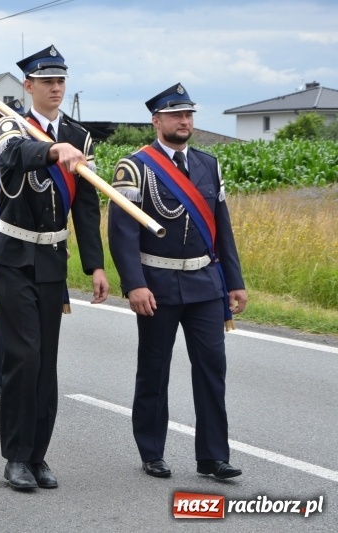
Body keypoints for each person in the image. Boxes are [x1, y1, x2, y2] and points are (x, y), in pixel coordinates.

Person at [108, 83, 247, 480]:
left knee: (211, 368)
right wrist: (134, 285)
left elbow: (223, 228)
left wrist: (234, 281)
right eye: (176, 115)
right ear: (157, 121)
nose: (184, 121)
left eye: (188, 115)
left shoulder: (208, 164)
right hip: (158, 284)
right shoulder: (133, 167)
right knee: (154, 370)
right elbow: (122, 233)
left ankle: (213, 457)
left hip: (205, 285)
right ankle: (152, 451)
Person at [0, 45, 109, 491]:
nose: (56, 88)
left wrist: (95, 266)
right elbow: (13, 156)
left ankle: (38, 455)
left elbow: (87, 207)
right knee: (23, 356)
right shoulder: (10, 125)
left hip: (52, 261)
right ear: (29, 86)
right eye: (46, 82)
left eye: (61, 81)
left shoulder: (80, 135)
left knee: (47, 364)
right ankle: (16, 457)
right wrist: (53, 150)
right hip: (15, 257)